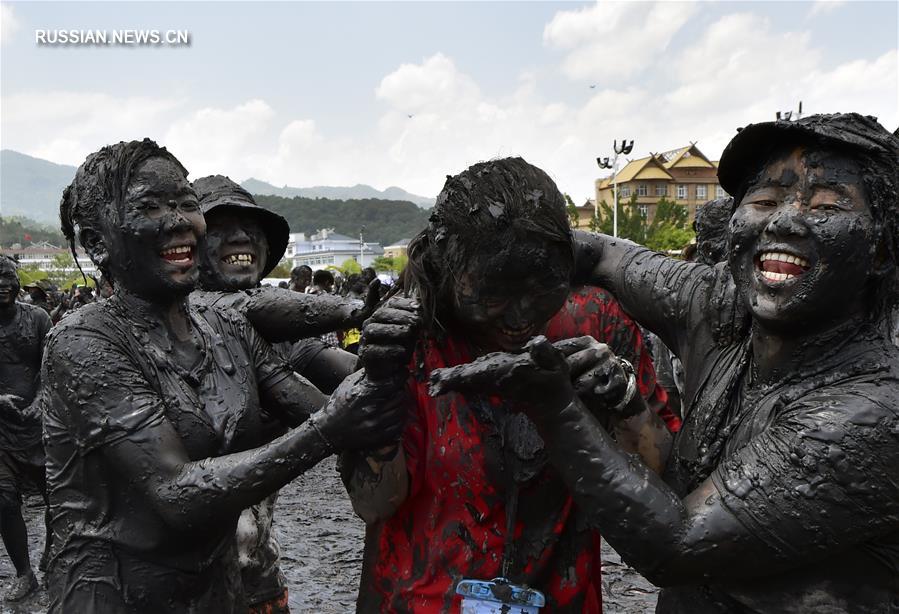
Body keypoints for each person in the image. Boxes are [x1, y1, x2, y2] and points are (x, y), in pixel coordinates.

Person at [434, 114, 899, 613]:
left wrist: (556, 407)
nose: (783, 221)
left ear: (882, 250)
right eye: (763, 201)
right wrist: (438, 288)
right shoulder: (721, 305)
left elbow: (678, 545)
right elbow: (601, 254)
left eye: (827, 206)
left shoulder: (874, 408)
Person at [45, 139, 413, 613]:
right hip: (113, 598)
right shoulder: (85, 341)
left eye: (184, 203)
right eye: (150, 206)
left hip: (216, 594)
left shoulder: (224, 326)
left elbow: (326, 410)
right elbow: (176, 494)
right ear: (98, 242)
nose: (179, 220)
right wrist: (328, 430)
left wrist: (382, 364)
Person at [342, 157, 677, 612]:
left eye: (542, 289)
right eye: (494, 294)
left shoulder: (596, 324)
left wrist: (624, 400)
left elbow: (657, 480)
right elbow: (375, 502)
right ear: (449, 272)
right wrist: (380, 386)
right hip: (420, 597)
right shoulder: (411, 336)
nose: (520, 317)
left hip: (558, 597)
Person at [190, 174, 376, 612]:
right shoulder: (179, 318)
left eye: (251, 227)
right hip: (183, 570)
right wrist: (358, 310)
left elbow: (343, 372)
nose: (241, 237)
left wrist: (389, 353)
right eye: (221, 226)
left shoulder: (279, 333)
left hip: (254, 559)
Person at [0, 256, 51, 601]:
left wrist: (41, 398)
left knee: (57, 498)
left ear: (17, 281)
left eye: (7, 277)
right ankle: (24, 573)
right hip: (1, 429)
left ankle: (54, 553)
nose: (2, 284)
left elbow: (53, 363)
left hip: (41, 425)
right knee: (3, 500)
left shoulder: (38, 318)